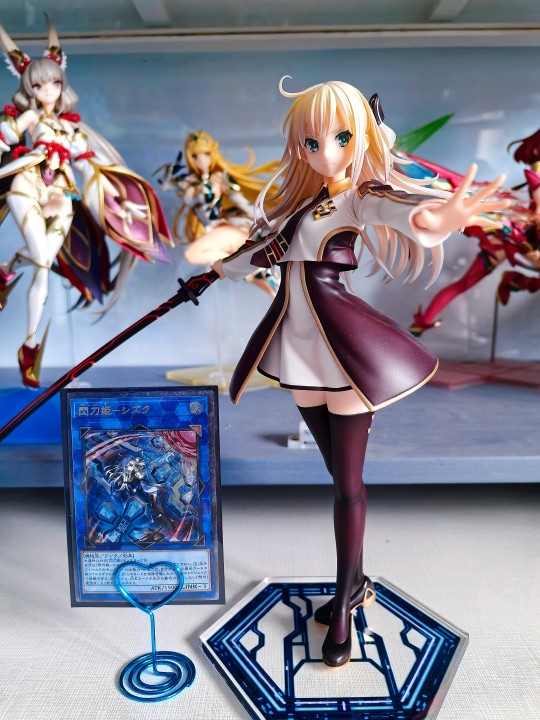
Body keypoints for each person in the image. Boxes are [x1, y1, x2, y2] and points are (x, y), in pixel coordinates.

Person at [211, 78, 508, 668]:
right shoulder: (298, 207)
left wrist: (437, 218)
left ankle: (345, 603)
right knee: (338, 478)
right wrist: (217, 268)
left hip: (343, 349)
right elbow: (256, 257)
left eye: (340, 137)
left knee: (347, 486)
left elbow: (400, 212)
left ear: (361, 138)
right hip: (296, 351)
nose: (324, 151)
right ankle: (359, 581)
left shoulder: (355, 196)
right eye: (311, 141)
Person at [0, 18, 172, 386]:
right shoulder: (29, 116)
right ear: (28, 87)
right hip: (28, 185)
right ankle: (30, 344)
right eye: (38, 84)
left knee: (44, 263)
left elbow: (92, 168)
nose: (48, 90)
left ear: (62, 83)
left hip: (63, 195)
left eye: (54, 82)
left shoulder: (73, 128)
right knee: (42, 261)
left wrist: (121, 202)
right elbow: (5, 140)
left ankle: (12, 285)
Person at [407, 130, 540, 336]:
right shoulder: (536, 175)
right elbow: (538, 213)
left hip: (517, 234)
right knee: (464, 283)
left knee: (464, 283)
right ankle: (421, 323)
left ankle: (515, 280)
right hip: (516, 234)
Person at [156, 130, 279, 296]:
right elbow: (166, 185)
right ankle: (266, 283)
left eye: (206, 154)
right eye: (195, 156)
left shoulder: (220, 178)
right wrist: (169, 177)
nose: (201, 160)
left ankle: (247, 268)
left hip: (227, 229)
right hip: (215, 232)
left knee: (192, 254)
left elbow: (242, 203)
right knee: (270, 289)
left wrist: (266, 221)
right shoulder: (188, 182)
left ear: (212, 154)